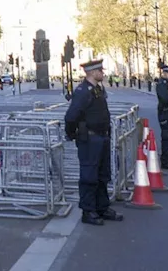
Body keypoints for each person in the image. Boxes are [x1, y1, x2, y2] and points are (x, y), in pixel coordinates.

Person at [64, 59, 122, 226]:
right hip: (90, 138)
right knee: (89, 176)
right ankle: (88, 211)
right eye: (100, 71)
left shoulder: (97, 89)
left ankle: (102, 207)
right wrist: (72, 134)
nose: (102, 73)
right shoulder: (83, 91)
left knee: (103, 175)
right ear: (92, 72)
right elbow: (71, 116)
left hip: (101, 137)